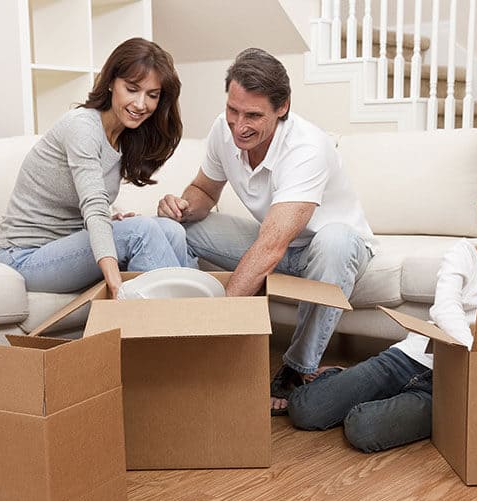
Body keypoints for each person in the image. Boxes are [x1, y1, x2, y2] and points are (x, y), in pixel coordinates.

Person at [157, 48, 375, 415]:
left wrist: (218, 325)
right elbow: (205, 191)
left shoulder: (307, 147)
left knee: (334, 241)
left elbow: (272, 245)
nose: (239, 125)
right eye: (233, 110)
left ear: (282, 108)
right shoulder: (221, 131)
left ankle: (296, 369)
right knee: (175, 228)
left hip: (331, 250)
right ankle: (171, 336)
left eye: (254, 115)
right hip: (279, 246)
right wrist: (180, 206)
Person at [286, 167, 477, 452]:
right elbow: (446, 308)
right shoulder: (463, 254)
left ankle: (371, 399)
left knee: (362, 428)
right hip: (410, 359)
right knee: (306, 410)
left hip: (455, 386)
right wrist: (474, 352)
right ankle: (341, 378)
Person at [0, 37, 192, 297]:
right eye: (132, 89)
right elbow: (93, 204)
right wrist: (117, 287)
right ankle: (167, 325)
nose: (141, 104)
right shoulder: (82, 127)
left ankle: (192, 320)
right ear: (110, 82)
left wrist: (112, 225)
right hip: (24, 255)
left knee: (172, 230)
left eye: (152, 95)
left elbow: (88, 212)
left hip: (66, 245)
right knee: (139, 232)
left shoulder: (125, 137)